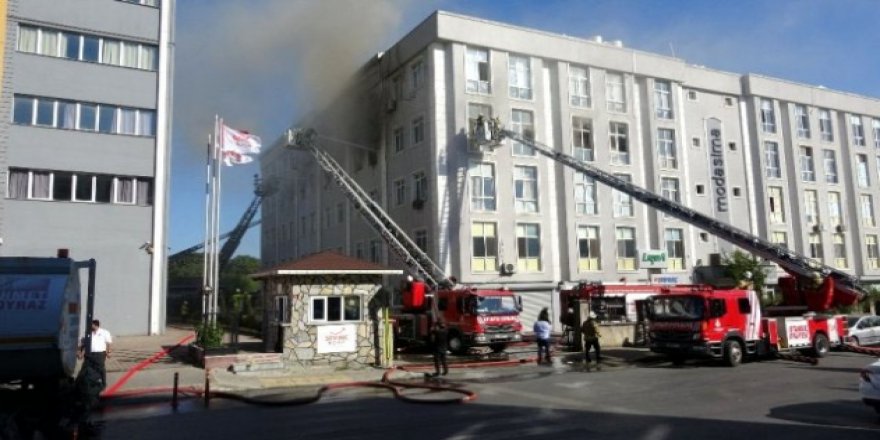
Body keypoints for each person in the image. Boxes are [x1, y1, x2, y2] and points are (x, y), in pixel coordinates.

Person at [78, 319, 113, 388]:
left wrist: (108, 352)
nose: (90, 326)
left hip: (100, 354)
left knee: (101, 368)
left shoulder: (104, 332)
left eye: (91, 325)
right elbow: (85, 344)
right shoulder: (88, 333)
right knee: (85, 368)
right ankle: (83, 384)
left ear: (96, 325)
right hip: (89, 354)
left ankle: (103, 383)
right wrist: (81, 354)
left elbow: (109, 343)